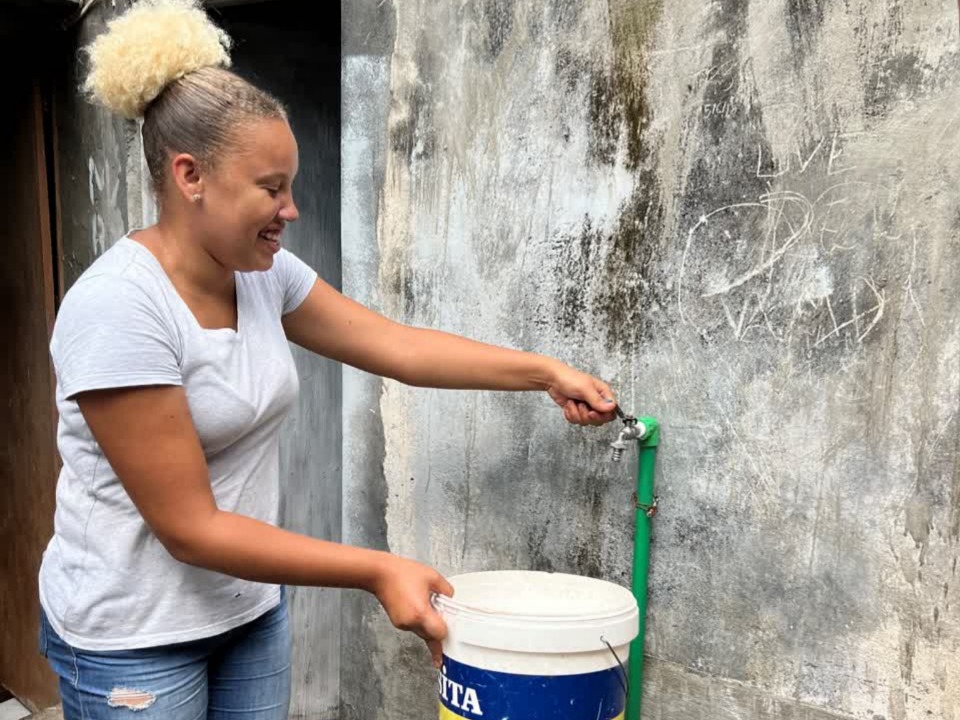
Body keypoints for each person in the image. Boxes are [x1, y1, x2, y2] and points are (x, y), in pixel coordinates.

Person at [36, 1, 620, 718]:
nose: (292, 210)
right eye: (271, 188)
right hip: (134, 634)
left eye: (292, 186)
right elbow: (191, 529)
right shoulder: (120, 309)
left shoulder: (262, 274)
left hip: (246, 612)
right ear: (190, 176)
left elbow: (398, 348)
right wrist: (377, 569)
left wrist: (543, 372)